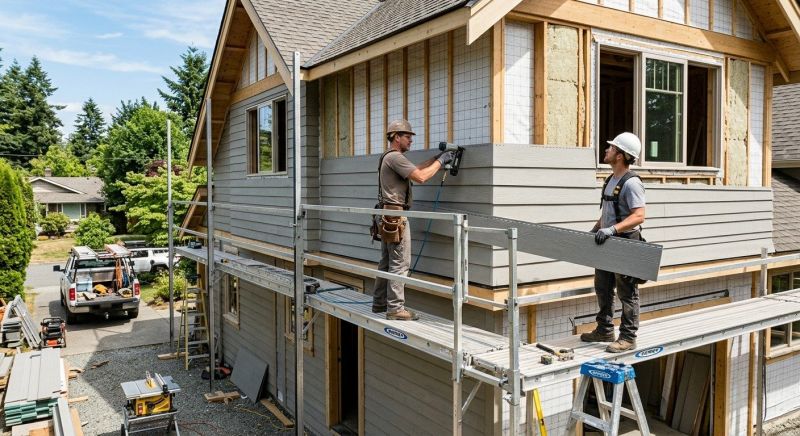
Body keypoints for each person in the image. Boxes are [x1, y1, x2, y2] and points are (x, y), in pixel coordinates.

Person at [372, 119, 455, 320]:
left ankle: (380, 302)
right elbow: (421, 177)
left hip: (388, 216)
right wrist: (442, 162)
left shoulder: (391, 158)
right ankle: (395, 309)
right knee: (400, 263)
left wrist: (436, 157)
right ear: (396, 137)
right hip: (396, 216)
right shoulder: (395, 157)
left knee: (387, 262)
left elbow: (415, 170)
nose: (411, 140)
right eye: (407, 137)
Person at [581, 132, 646, 353]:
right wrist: (598, 228)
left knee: (627, 292)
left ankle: (628, 337)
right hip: (608, 240)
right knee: (603, 286)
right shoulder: (610, 180)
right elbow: (609, 211)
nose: (607, 150)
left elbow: (638, 216)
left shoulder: (632, 183)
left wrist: (612, 229)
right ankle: (605, 329)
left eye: (611, 148)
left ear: (620, 155)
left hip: (625, 242)